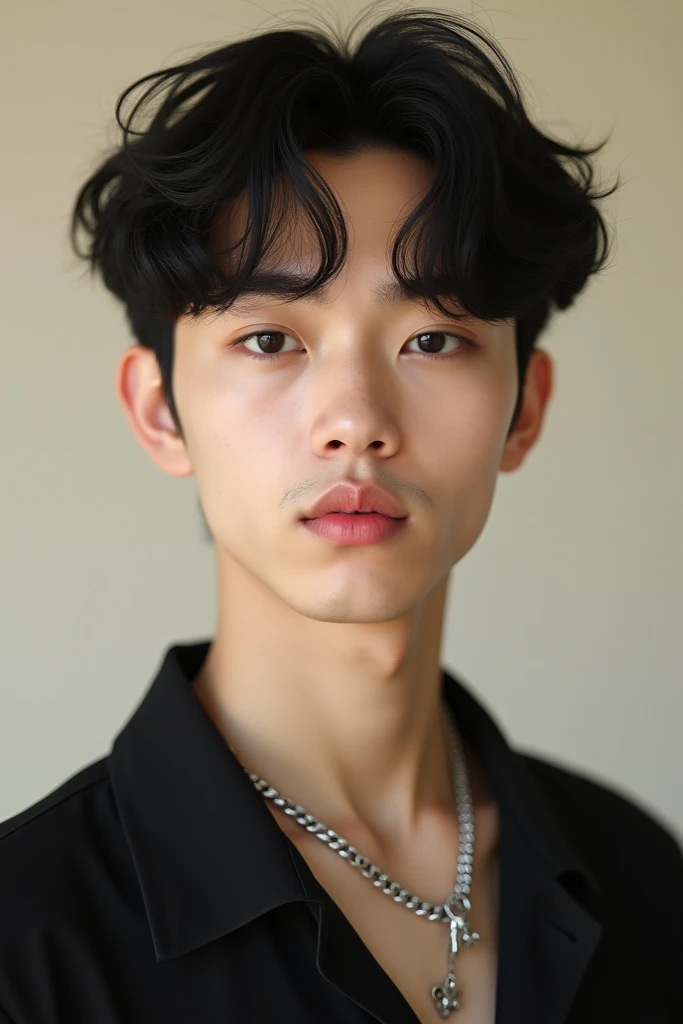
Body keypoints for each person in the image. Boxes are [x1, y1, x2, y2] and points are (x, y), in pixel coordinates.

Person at [0, 5, 680, 1023]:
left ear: (522, 409)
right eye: (271, 340)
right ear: (159, 409)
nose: (355, 423)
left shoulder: (635, 870)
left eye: (434, 339)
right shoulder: (26, 939)